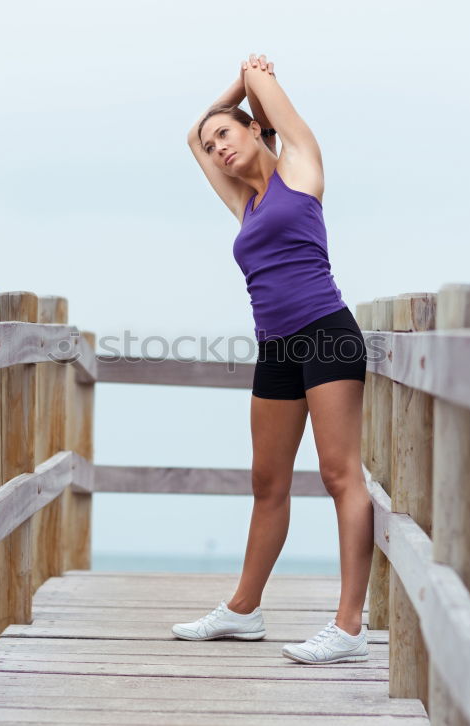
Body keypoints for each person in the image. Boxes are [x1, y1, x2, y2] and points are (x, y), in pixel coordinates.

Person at [171, 53, 372, 665]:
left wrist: (250, 71)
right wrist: (224, 104)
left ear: (256, 129)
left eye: (225, 134)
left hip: (328, 336)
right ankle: (243, 611)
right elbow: (189, 135)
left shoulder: (300, 168)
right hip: (276, 348)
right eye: (214, 142)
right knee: (267, 485)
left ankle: (350, 625)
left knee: (341, 477)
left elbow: (261, 85)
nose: (216, 146)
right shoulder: (246, 203)